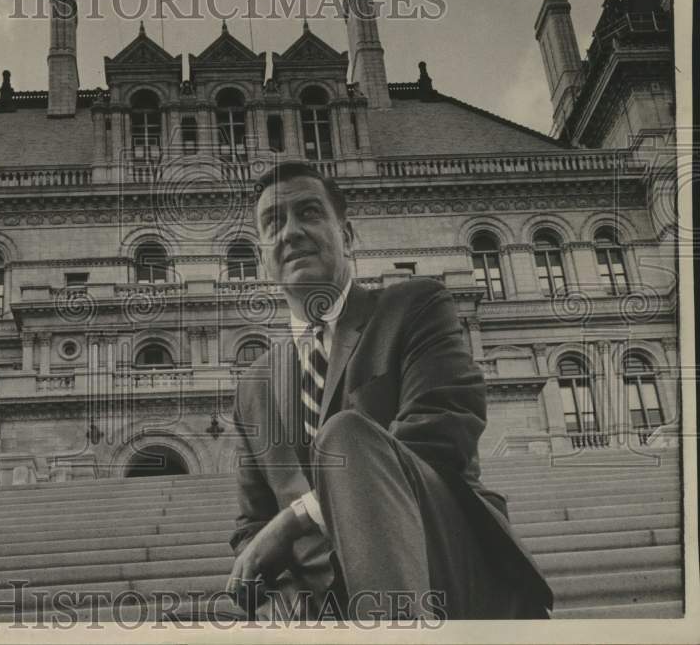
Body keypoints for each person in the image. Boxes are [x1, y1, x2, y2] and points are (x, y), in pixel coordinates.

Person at [226, 161, 553, 620]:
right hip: (326, 604)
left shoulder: (415, 306)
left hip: (440, 564)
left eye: (309, 212)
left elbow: (440, 436)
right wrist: (285, 599)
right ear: (263, 254)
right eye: (273, 222)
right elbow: (251, 531)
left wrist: (295, 519)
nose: (291, 232)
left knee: (346, 435)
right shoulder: (253, 387)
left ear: (347, 235)